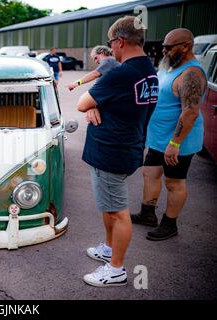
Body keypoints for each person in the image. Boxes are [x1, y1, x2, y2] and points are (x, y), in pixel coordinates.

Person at [76, 16, 158, 287]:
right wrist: (96, 106)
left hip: (111, 150)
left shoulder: (122, 73)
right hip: (128, 145)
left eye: (112, 44)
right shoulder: (149, 69)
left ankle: (116, 269)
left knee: (118, 212)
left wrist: (92, 105)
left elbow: (81, 102)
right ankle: (109, 249)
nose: (111, 49)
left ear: (120, 41)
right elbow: (118, 104)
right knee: (109, 207)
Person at [131, 28, 206, 241]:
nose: (163, 51)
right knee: (150, 173)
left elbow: (190, 113)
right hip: (158, 138)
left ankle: (169, 224)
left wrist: (175, 142)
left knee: (174, 182)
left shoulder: (191, 73)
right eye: (163, 46)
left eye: (168, 47)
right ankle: (147, 214)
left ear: (186, 46)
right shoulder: (170, 66)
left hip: (177, 141)